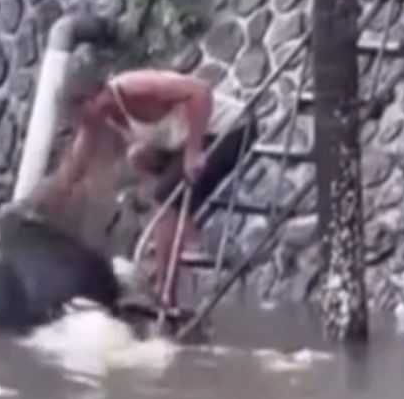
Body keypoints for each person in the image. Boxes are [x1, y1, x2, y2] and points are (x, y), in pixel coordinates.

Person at [37, 64, 259, 311]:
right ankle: (180, 226)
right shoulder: (100, 115)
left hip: (232, 128)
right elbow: (77, 162)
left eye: (80, 116)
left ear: (92, 100)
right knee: (139, 158)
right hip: (184, 139)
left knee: (164, 195)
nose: (81, 123)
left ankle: (165, 293)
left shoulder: (132, 88)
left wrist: (193, 151)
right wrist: (53, 200)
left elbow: (199, 92)